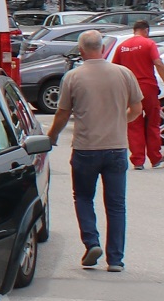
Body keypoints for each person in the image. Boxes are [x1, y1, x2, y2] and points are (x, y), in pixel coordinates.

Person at [45, 30, 144, 270]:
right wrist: (119, 122)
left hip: (85, 149)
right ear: (103, 48)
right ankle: (116, 260)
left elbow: (62, 114)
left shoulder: (72, 77)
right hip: (116, 148)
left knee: (83, 197)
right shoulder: (123, 73)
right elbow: (137, 109)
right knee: (116, 205)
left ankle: (91, 243)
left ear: (81, 51)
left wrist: (51, 137)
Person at [112, 16, 164, 169]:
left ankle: (138, 160)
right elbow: (158, 63)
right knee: (153, 122)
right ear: (146, 31)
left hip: (130, 89)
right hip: (148, 87)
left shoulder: (122, 46)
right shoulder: (149, 43)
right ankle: (155, 158)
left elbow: (115, 69)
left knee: (134, 123)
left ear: (134, 31)